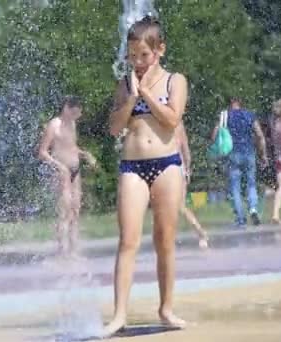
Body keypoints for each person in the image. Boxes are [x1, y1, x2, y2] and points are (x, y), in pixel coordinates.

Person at [104, 15, 189, 335]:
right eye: (131, 55)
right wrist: (132, 98)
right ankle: (119, 315)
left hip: (167, 164)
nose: (137, 62)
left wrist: (148, 95)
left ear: (160, 50)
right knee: (127, 240)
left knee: (164, 240)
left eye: (143, 55)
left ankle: (166, 309)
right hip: (132, 167)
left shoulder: (174, 81)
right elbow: (115, 128)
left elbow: (171, 119)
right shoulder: (125, 86)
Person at [38, 97, 97, 258]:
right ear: (66, 108)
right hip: (61, 171)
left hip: (75, 169)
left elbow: (71, 146)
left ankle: (74, 250)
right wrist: (59, 166)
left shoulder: (72, 124)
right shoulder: (54, 125)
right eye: (74, 113)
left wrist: (85, 155)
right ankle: (62, 251)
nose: (76, 117)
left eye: (77, 115)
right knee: (65, 211)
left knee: (75, 210)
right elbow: (42, 152)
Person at [211, 98, 267, 228]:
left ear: (230, 103)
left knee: (235, 188)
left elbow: (214, 136)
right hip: (249, 153)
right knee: (251, 183)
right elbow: (259, 135)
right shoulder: (249, 115)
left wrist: (220, 145)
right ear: (240, 103)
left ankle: (241, 220)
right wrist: (263, 154)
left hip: (232, 155)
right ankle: (253, 209)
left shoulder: (224, 115)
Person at [175, 122, 208, 249]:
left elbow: (185, 148)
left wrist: (187, 170)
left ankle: (201, 233)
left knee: (180, 206)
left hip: (177, 168)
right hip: (165, 170)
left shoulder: (177, 124)